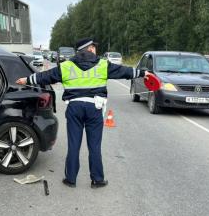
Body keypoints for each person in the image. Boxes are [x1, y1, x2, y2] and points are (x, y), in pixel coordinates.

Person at [16, 37, 147, 188]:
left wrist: (26, 80)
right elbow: (124, 72)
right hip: (94, 108)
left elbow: (45, 76)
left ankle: (70, 179)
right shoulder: (103, 64)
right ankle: (97, 180)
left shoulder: (66, 66)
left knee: (74, 145)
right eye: (94, 47)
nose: (95, 49)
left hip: (74, 108)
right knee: (94, 146)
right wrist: (143, 74)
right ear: (90, 48)